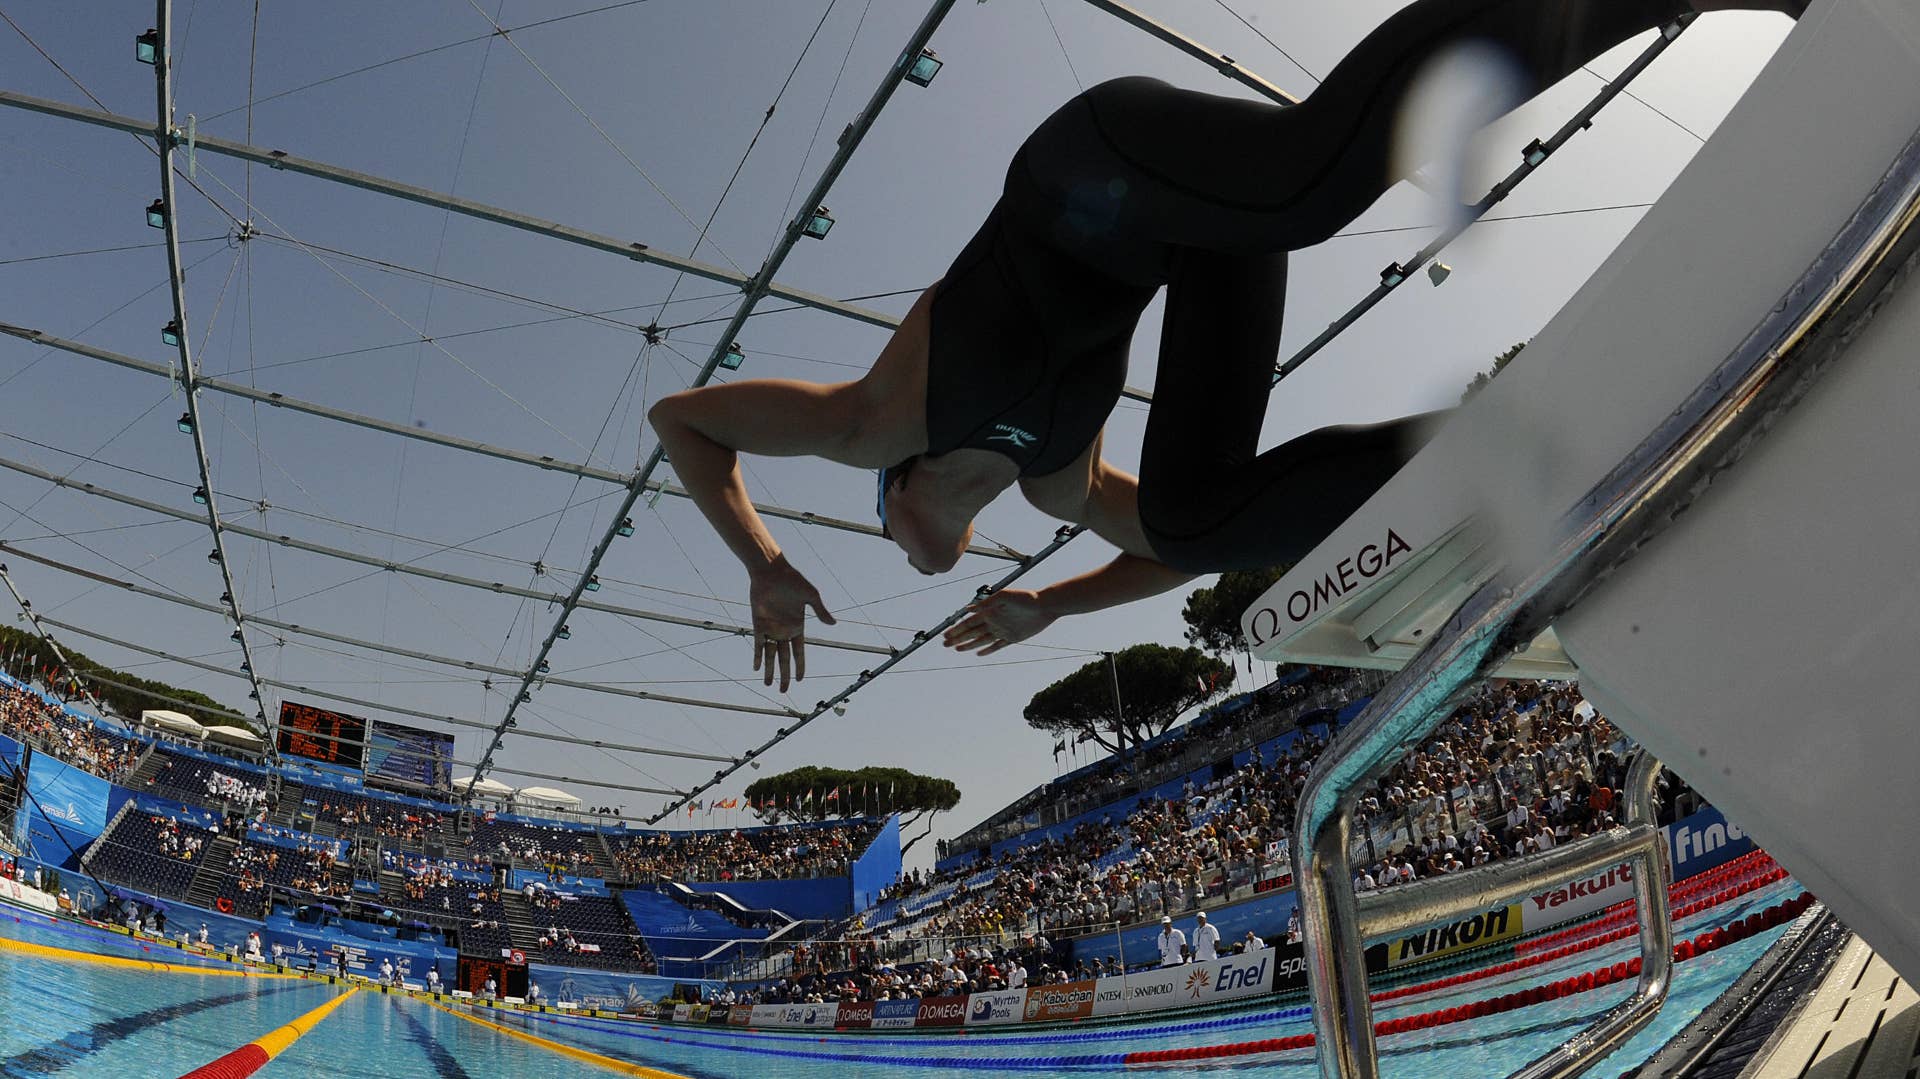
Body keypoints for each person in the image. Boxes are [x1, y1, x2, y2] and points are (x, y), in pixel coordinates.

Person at [648, 0, 1804, 690]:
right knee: (1200, 516)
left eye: (889, 540)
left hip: (1093, 165)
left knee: (1304, 188)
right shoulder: (1061, 482)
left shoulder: (874, 423)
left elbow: (683, 423)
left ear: (901, 496)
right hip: (1196, 241)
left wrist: (760, 560)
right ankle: (1532, 434)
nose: (910, 564)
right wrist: (1055, 606)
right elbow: (1179, 554)